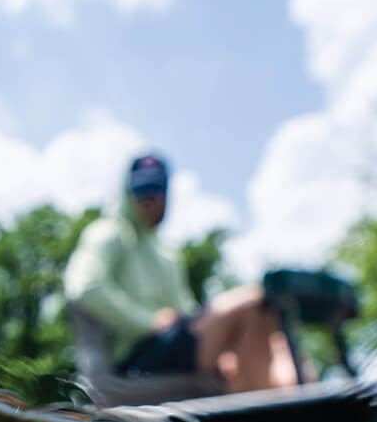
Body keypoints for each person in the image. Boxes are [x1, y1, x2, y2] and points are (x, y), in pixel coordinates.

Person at [64, 153, 299, 394]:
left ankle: (300, 410)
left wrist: (225, 350)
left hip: (178, 342)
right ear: (127, 191)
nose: (149, 199)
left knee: (273, 329)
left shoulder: (168, 255)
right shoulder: (109, 233)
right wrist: (148, 322)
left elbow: (190, 313)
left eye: (156, 188)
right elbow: (84, 287)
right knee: (254, 301)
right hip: (139, 355)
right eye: (141, 188)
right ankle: (272, 418)